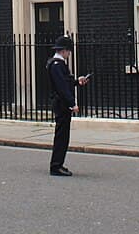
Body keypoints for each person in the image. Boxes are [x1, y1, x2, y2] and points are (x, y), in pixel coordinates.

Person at [46, 35, 89, 176]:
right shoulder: (57, 65)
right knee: (61, 136)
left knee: (63, 136)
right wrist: (72, 104)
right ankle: (56, 166)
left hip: (61, 103)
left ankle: (58, 164)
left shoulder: (57, 64)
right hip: (61, 104)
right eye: (69, 51)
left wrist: (78, 81)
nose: (69, 54)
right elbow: (62, 87)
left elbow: (66, 82)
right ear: (64, 50)